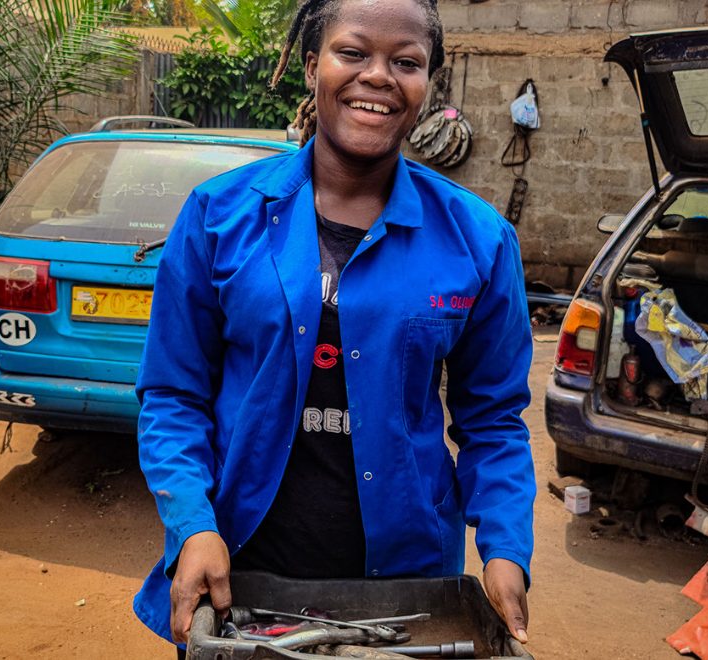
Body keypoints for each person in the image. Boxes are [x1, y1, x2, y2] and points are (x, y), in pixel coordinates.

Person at [133, 0, 535, 651]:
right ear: (313, 64)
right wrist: (193, 526)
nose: (378, 76)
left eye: (405, 61)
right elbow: (173, 395)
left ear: (428, 81)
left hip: (406, 591)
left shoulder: (478, 241)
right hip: (243, 570)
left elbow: (493, 420)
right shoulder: (218, 216)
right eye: (354, 53)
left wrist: (506, 548)